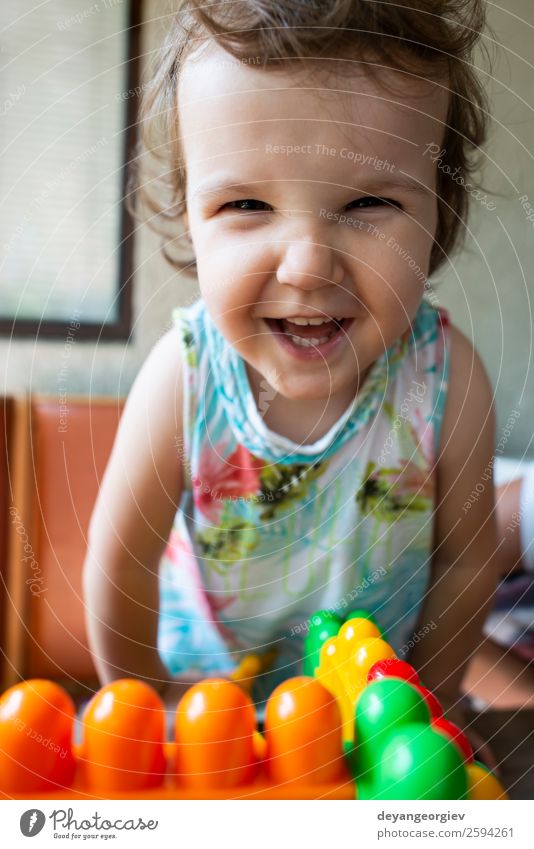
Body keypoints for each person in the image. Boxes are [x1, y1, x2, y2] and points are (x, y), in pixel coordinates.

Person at [83, 0, 499, 746]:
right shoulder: (185, 376)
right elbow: (121, 561)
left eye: (368, 202)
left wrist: (428, 711)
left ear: (441, 208)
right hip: (209, 715)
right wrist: (143, 704)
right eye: (247, 203)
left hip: (366, 719)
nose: (307, 264)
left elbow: (467, 562)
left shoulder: (449, 381)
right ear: (191, 219)